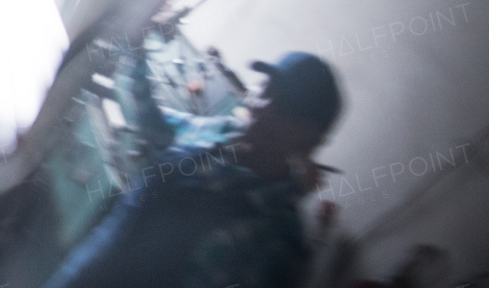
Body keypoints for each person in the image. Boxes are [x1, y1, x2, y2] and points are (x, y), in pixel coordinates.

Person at [47, 50, 343, 288]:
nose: (263, 107)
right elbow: (155, 127)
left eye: (284, 107)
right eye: (265, 90)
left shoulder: (277, 237)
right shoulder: (214, 132)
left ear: (308, 138)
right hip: (82, 273)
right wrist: (136, 57)